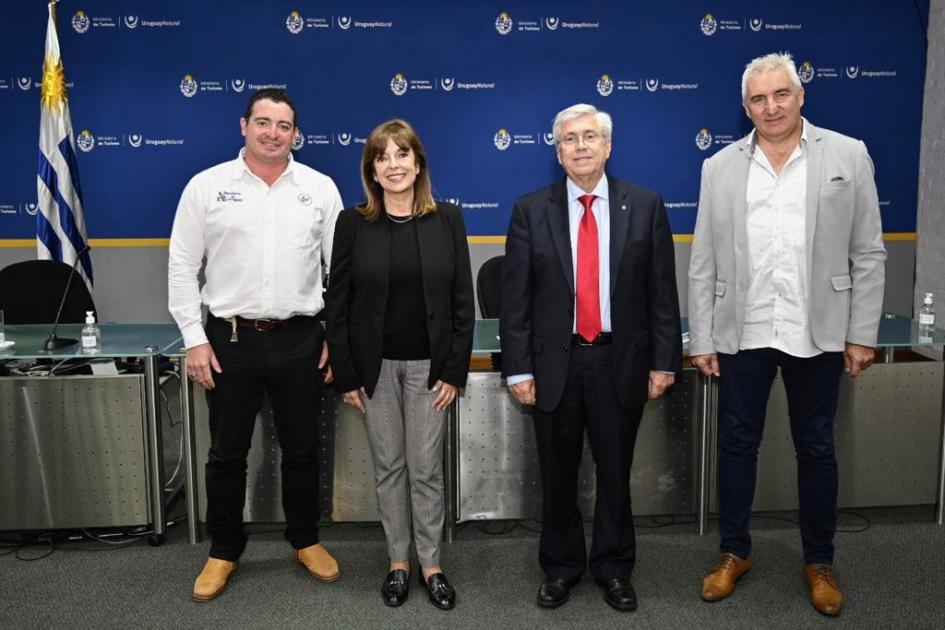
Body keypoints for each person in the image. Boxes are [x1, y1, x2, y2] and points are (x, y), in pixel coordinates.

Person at [688, 52, 886, 616]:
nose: (770, 107)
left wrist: (861, 332)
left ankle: (819, 561)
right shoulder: (719, 167)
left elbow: (868, 252)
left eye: (780, 95)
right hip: (743, 331)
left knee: (818, 447)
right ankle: (733, 553)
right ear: (744, 106)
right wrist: (701, 335)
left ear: (801, 96)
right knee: (736, 446)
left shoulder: (848, 155)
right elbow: (702, 260)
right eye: (758, 99)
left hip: (817, 330)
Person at [500, 103, 682, 611]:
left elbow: (661, 294)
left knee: (615, 472)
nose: (580, 146)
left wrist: (665, 361)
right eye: (569, 140)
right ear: (557, 153)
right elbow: (516, 301)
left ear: (608, 146)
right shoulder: (530, 209)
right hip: (554, 365)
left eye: (590, 137)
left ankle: (614, 567)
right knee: (557, 474)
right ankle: (560, 568)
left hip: (617, 361)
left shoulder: (644, 205)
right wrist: (518, 367)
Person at [168, 88, 344, 602]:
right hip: (229, 341)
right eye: (263, 122)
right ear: (243, 125)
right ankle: (224, 548)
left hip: (301, 339)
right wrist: (194, 339)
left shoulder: (319, 188)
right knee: (226, 452)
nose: (273, 133)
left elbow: (342, 270)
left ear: (295, 133)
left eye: (283, 125)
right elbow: (182, 266)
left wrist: (333, 334)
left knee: (304, 448)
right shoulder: (206, 187)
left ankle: (305, 539)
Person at [324, 119, 474, 610]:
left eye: (402, 154)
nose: (393, 165)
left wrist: (453, 370)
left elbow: (460, 304)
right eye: (382, 157)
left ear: (418, 163)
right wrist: (346, 374)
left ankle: (431, 565)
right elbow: (338, 306)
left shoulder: (448, 219)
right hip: (375, 370)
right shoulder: (353, 224)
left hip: (431, 369)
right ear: (371, 168)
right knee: (389, 468)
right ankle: (398, 564)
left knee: (426, 470)